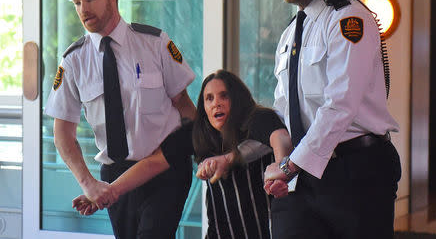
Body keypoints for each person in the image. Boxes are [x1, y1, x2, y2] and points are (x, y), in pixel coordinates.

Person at [263, 0, 401, 239]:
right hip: (303, 174)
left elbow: (341, 104)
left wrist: (290, 167)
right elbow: (284, 110)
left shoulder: (348, 18)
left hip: (356, 172)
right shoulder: (290, 33)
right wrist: (283, 165)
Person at [44, 0, 197, 239]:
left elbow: (184, 105)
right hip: (114, 173)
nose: (83, 9)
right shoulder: (73, 61)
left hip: (164, 167)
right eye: (77, 2)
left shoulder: (155, 43)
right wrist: (89, 184)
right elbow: (63, 135)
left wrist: (207, 149)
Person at [72, 69, 293, 239]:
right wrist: (107, 192)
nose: (216, 103)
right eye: (209, 98)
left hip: (268, 232)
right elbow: (152, 163)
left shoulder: (258, 118)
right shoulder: (198, 133)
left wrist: (280, 170)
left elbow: (280, 138)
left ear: (238, 99)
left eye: (224, 96)